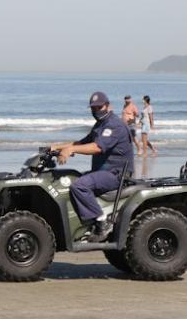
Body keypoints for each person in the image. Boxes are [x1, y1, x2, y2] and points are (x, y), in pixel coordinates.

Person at [51, 92, 133, 242]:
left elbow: (97, 147)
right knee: (71, 178)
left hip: (116, 174)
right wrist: (56, 147)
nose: (96, 111)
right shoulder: (100, 125)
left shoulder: (114, 125)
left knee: (79, 185)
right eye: (93, 108)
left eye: (99, 107)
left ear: (108, 106)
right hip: (103, 172)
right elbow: (81, 143)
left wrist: (71, 150)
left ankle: (101, 221)